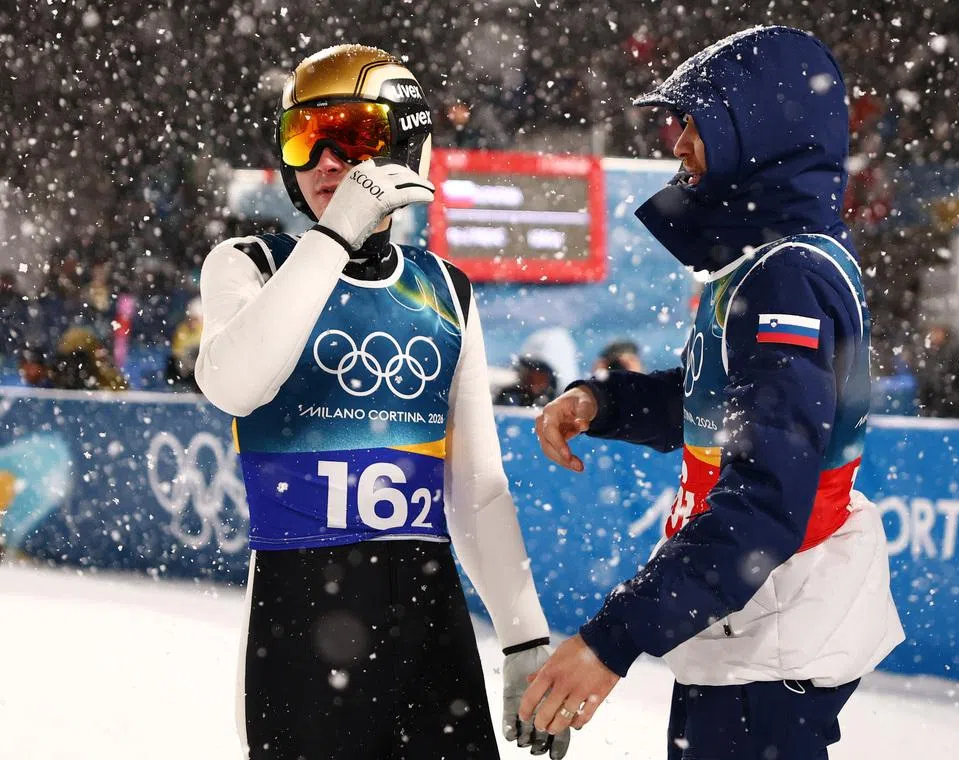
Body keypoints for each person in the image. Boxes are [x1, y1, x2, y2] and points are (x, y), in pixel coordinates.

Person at [522, 26, 903, 759]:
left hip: (774, 636)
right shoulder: (770, 264)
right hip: (758, 633)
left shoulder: (786, 275)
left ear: (757, 130)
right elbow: (727, 407)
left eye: (694, 122)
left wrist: (611, 641)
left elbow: (765, 498)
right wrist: (609, 403)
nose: (677, 143)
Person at [194, 44, 567, 760]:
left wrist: (523, 635)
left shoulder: (445, 290)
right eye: (306, 138)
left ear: (406, 143)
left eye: (354, 135)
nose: (328, 161)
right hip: (298, 634)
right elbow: (236, 385)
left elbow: (478, 491)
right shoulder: (249, 265)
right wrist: (334, 237)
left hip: (429, 629)